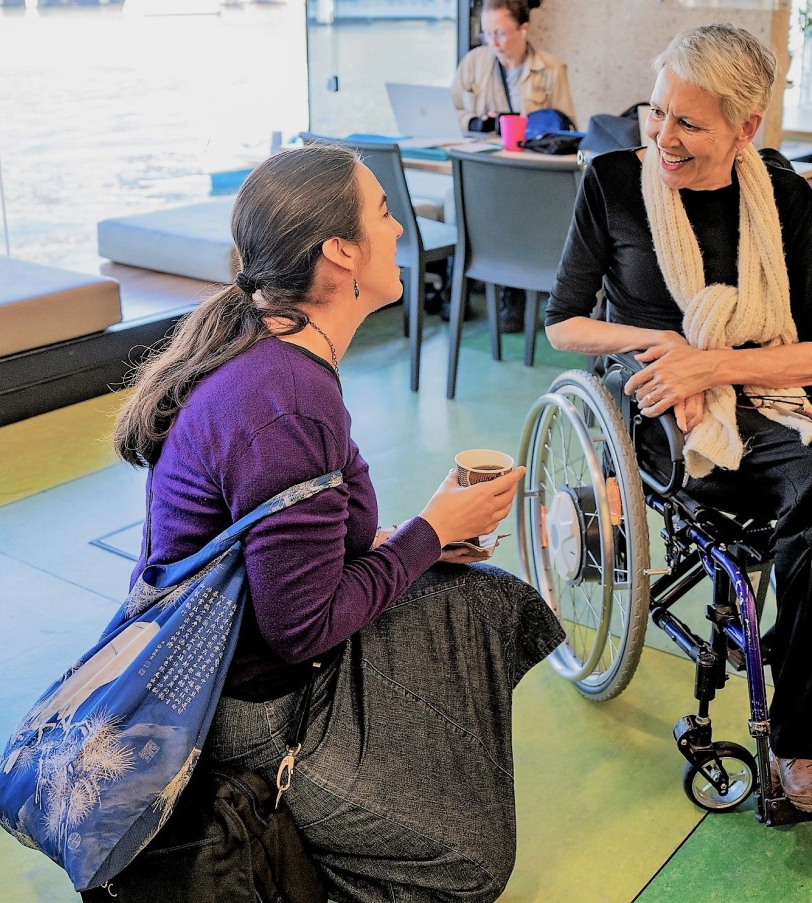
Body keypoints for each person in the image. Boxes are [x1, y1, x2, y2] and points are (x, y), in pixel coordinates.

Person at [112, 143, 564, 901]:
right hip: (249, 714)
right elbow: (300, 628)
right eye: (384, 213)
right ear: (340, 252)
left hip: (241, 660)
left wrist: (407, 542)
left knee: (482, 597)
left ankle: (406, 786)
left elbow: (293, 545)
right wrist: (425, 531)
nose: (398, 228)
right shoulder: (288, 399)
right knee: (472, 864)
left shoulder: (271, 347)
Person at [545, 24, 812, 814]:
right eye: (657, 111)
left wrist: (720, 361)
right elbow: (564, 323)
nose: (662, 139)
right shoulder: (611, 182)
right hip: (670, 399)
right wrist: (662, 342)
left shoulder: (783, 197)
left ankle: (797, 668)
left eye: (689, 124)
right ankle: (807, 745)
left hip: (766, 375)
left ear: (747, 129)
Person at [451, 0, 576, 333]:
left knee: (517, 205)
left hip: (529, 173)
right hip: (483, 166)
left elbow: (566, 128)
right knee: (459, 200)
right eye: (487, 33)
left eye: (501, 33)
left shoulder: (551, 68)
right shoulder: (475, 62)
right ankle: (460, 289)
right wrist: (476, 122)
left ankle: (513, 295)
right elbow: (450, 112)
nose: (493, 42)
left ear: (524, 29)